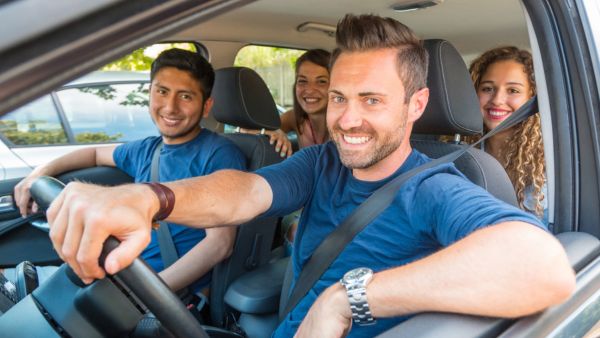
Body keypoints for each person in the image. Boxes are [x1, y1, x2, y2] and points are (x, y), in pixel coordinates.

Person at [45, 14, 575, 338]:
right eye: (340, 98)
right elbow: (247, 192)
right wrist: (151, 198)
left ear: (416, 105)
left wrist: (348, 298)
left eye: (371, 100)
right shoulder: (322, 162)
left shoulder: (435, 187)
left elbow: (544, 266)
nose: (346, 119)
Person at [13, 48, 246, 294]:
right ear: (150, 94)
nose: (170, 107)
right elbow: (93, 154)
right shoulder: (146, 150)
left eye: (185, 96)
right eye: (162, 91)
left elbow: (219, 244)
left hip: (165, 294)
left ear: (206, 105)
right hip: (124, 275)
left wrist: (148, 293)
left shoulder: (219, 154)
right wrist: (39, 173)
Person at [469, 47, 548, 224]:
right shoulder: (456, 156)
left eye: (513, 90)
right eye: (488, 88)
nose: (497, 99)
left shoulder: (549, 167)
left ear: (532, 98)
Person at [240, 49, 331, 158]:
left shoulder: (346, 123)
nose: (310, 90)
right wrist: (272, 131)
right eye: (302, 81)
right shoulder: (295, 118)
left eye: (321, 81)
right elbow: (244, 130)